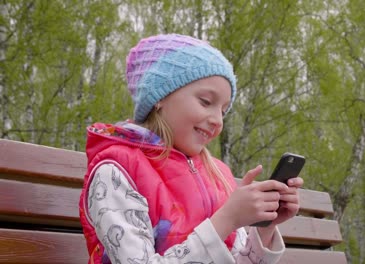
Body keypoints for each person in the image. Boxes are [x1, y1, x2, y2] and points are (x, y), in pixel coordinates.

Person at [79, 33, 304, 264]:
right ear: (160, 97)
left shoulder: (218, 174)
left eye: (224, 110)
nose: (218, 120)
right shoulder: (116, 171)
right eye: (206, 102)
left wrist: (264, 226)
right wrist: (227, 219)